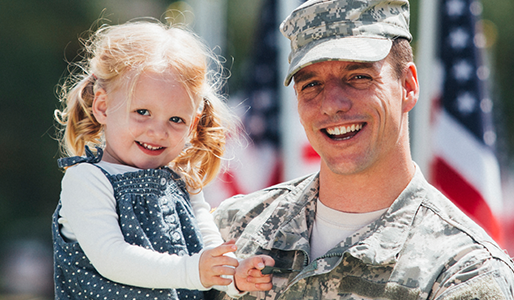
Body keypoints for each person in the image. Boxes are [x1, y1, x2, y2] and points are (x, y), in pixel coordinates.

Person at [211, 0, 514, 299]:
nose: (331, 104)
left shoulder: (462, 270)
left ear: (408, 86)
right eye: (311, 84)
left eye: (358, 77)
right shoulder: (233, 230)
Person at [51, 20, 275, 299]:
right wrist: (192, 271)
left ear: (192, 125)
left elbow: (208, 247)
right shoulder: (86, 179)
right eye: (142, 112)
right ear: (103, 106)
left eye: (176, 119)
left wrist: (233, 275)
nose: (158, 131)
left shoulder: (183, 183)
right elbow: (112, 257)